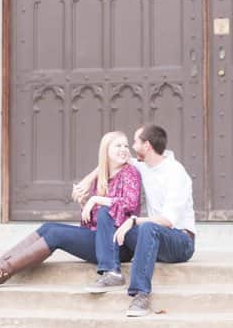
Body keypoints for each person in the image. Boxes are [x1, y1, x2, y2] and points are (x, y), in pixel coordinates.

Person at [0, 130, 141, 287]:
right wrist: (84, 204)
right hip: (99, 240)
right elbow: (94, 223)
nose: (124, 149)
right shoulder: (101, 179)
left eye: (126, 145)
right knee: (48, 227)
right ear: (106, 151)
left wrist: (96, 199)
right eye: (118, 145)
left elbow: (130, 204)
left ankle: (3, 271)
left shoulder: (130, 172)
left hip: (118, 245)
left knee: (56, 234)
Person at [74, 124, 195, 317]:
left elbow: (168, 220)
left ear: (146, 145)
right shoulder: (143, 165)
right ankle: (111, 272)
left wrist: (133, 221)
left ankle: (141, 294)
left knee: (147, 227)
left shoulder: (175, 173)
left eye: (135, 142)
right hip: (151, 234)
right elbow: (108, 160)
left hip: (179, 241)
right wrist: (88, 181)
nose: (131, 146)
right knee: (113, 212)